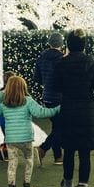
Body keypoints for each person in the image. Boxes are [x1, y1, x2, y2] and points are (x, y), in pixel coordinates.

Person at [52, 30, 94, 187]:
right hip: (86, 112)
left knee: (68, 150)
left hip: (68, 110)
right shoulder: (91, 63)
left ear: (68, 44)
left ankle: (68, 183)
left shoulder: (61, 63)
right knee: (85, 152)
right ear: (84, 45)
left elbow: (54, 85)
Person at [0, 75, 59, 187]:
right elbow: (42, 112)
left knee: (12, 163)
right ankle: (27, 186)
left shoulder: (5, 104)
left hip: (11, 140)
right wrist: (58, 109)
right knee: (29, 160)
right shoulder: (28, 101)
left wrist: (0, 95)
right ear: (23, 87)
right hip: (26, 138)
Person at [34, 32, 65, 165]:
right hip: (60, 97)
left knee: (56, 126)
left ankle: (58, 157)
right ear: (61, 44)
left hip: (47, 96)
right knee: (61, 127)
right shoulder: (63, 59)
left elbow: (37, 78)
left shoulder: (42, 57)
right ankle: (43, 148)